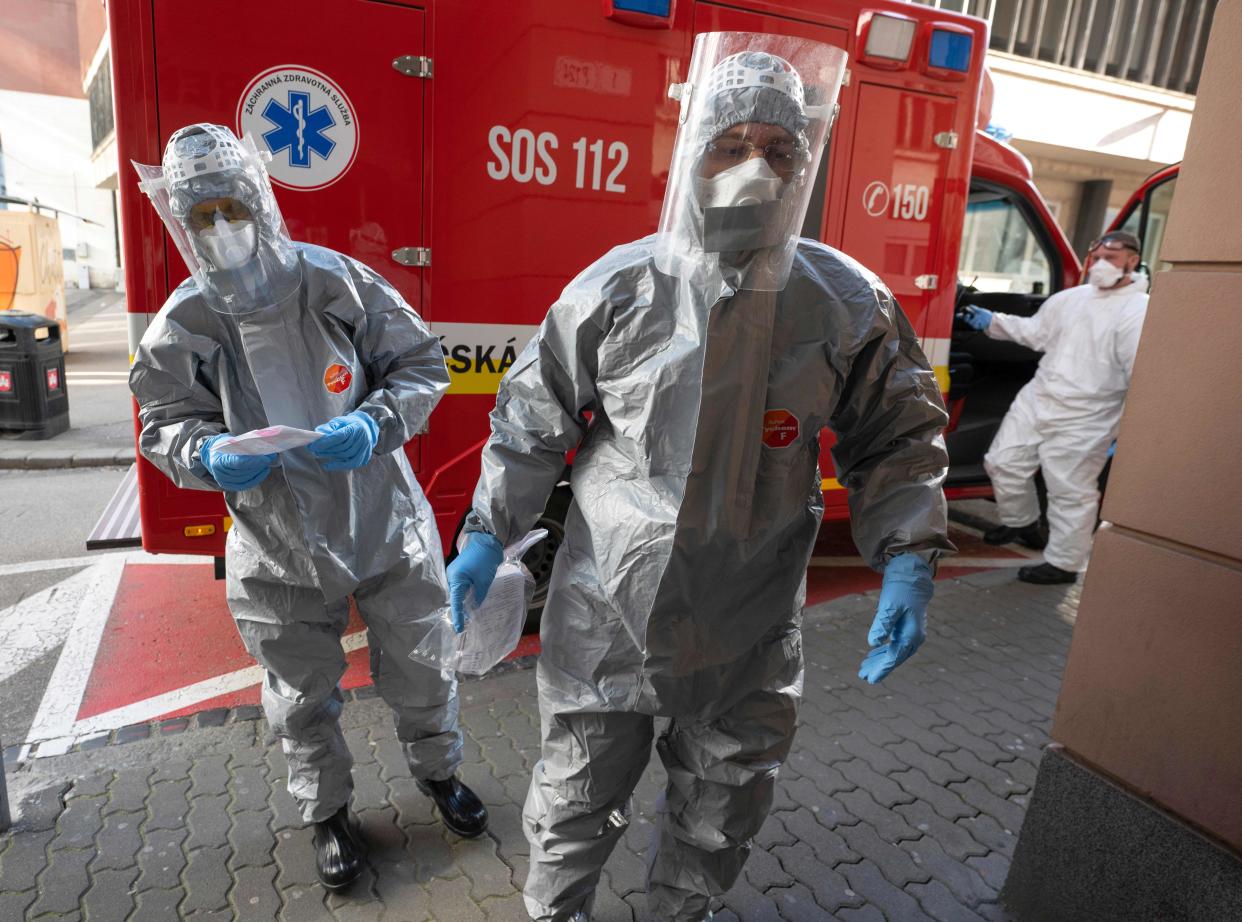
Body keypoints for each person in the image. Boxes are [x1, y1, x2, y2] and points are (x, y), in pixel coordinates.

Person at [447, 35, 954, 922]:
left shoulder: (844, 301)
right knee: (575, 799)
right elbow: (532, 421)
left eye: (778, 150)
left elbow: (900, 435)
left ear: (807, 162)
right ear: (692, 152)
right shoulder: (616, 287)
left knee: (720, 811)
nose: (753, 168)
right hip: (608, 610)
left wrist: (908, 555)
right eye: (730, 145)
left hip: (751, 618)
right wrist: (487, 534)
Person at [128, 124, 487, 891]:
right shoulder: (186, 320)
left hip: (382, 519)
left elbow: (422, 363)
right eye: (201, 215)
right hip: (275, 535)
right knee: (299, 696)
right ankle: (326, 814)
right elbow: (161, 419)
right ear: (182, 223)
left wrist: (375, 422)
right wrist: (203, 452)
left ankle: (440, 774)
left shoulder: (336, 283)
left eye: (232, 206)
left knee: (423, 665)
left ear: (259, 201)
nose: (221, 227)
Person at [961, 230, 1149, 584]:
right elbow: (1035, 332)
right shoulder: (1073, 299)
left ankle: (1064, 563)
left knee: (1069, 489)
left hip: (1089, 415)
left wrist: (1123, 430)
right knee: (1002, 462)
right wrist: (991, 322)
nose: (1101, 264)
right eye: (1097, 256)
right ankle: (1023, 523)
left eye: (1112, 257)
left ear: (1133, 261)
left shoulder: (1138, 310)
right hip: (1040, 398)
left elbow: (1141, 375)